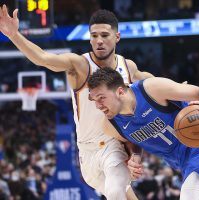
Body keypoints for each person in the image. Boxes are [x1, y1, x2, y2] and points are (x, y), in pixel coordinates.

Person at [0, 5, 153, 199]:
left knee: (116, 191)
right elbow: (43, 58)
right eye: (94, 35)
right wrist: (14, 35)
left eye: (105, 35)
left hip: (114, 146)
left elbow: (153, 84)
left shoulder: (127, 66)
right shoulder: (80, 65)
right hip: (86, 153)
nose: (98, 41)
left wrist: (186, 95)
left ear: (117, 37)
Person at [87, 67, 199, 200]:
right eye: (94, 100)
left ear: (120, 91)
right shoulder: (110, 125)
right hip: (185, 163)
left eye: (101, 98)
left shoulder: (151, 89)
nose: (98, 105)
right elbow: (132, 140)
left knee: (192, 196)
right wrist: (135, 156)